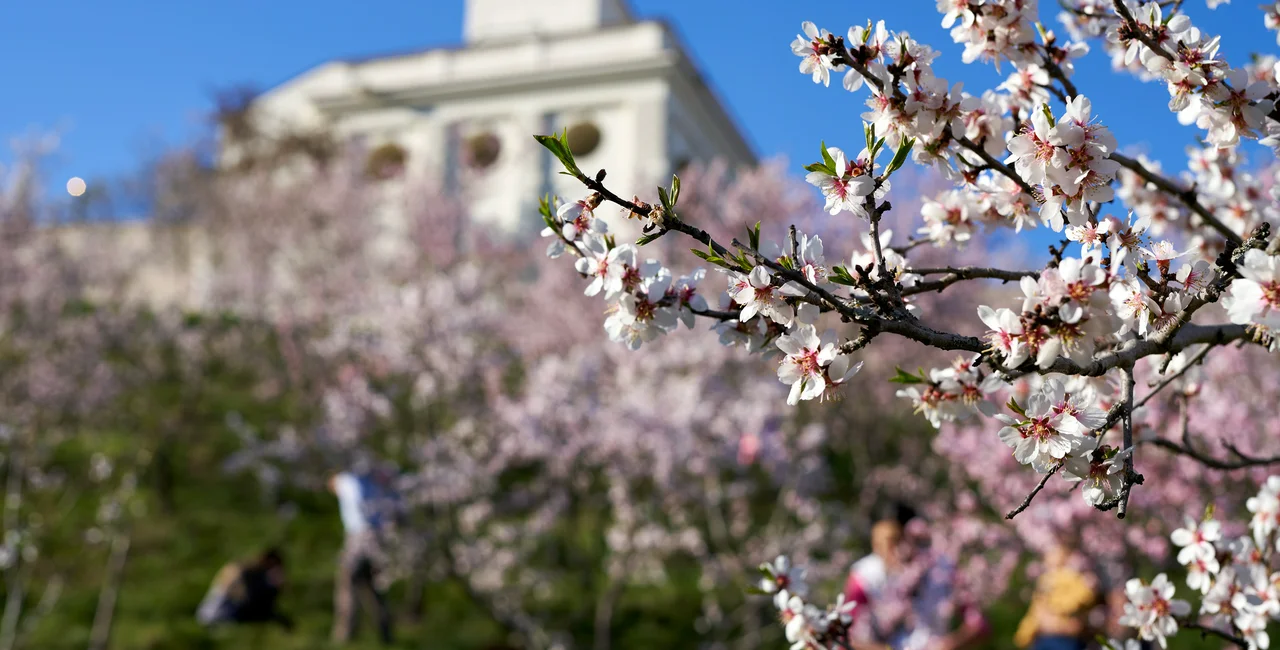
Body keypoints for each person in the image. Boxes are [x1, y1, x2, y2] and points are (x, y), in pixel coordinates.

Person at [842, 502, 989, 650]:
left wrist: (949, 644)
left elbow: (978, 623)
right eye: (880, 543)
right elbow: (846, 637)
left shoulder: (942, 568)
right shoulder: (865, 576)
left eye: (894, 540)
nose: (887, 550)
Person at [328, 469, 395, 645]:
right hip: (378, 535)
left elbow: (357, 502)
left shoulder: (345, 480)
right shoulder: (372, 478)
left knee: (347, 583)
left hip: (359, 535)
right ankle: (385, 632)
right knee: (373, 585)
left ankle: (345, 634)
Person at [1014, 539, 1099, 650]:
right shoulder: (1044, 582)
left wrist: (1058, 608)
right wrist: (1026, 632)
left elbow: (1083, 598)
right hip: (1044, 636)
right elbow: (1035, 612)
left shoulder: (1073, 578)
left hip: (1064, 638)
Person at [196, 548, 293, 630]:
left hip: (212, 614)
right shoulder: (243, 571)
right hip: (219, 615)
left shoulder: (245, 569)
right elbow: (246, 596)